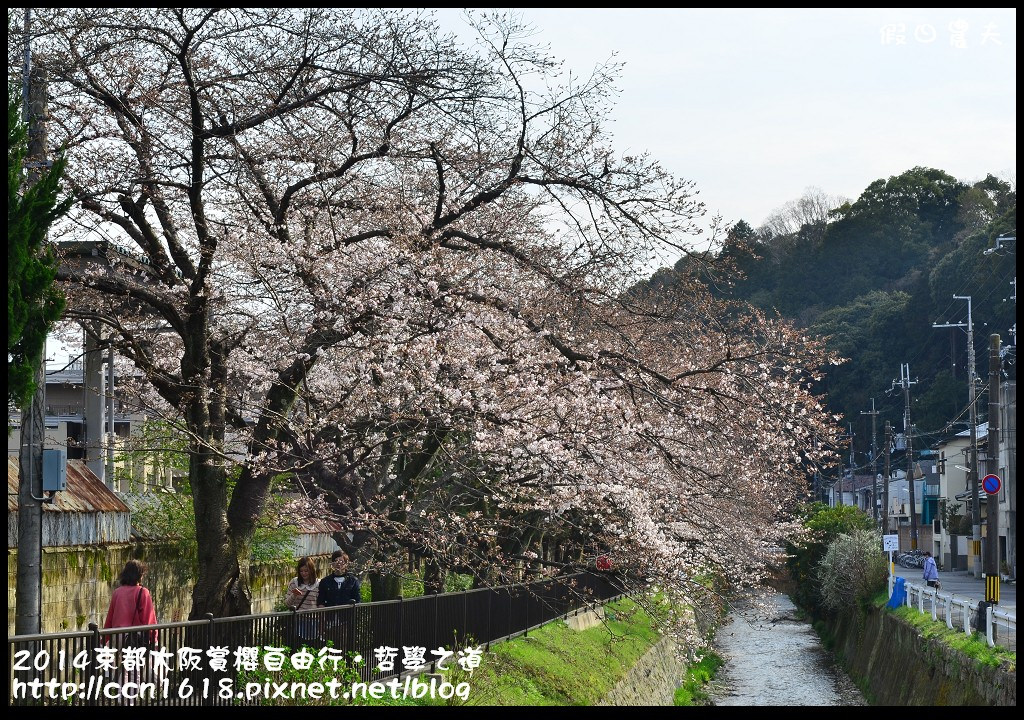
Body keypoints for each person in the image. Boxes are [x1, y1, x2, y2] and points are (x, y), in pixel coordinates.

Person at [104, 559, 158, 643]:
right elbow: (148, 619)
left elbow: (110, 618)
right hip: (135, 639)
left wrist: (104, 639)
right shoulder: (143, 592)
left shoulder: (117, 592)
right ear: (139, 575)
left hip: (117, 637)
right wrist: (154, 638)